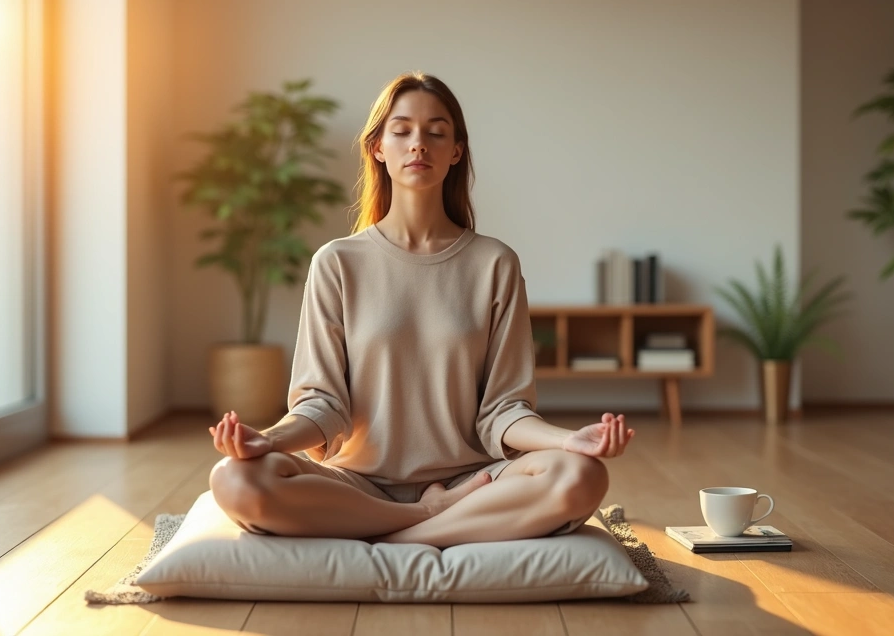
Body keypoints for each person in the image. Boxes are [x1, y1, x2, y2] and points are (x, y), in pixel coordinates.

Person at [209, 71, 635, 548]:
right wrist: (268, 440)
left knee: (581, 476)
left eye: (436, 132)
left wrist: (567, 440)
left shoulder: (494, 262)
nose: (419, 145)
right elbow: (323, 406)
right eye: (403, 130)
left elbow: (503, 411)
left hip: (474, 484)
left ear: (455, 152)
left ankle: (393, 536)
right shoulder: (337, 262)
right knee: (234, 479)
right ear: (377, 147)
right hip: (359, 485)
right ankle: (421, 519)